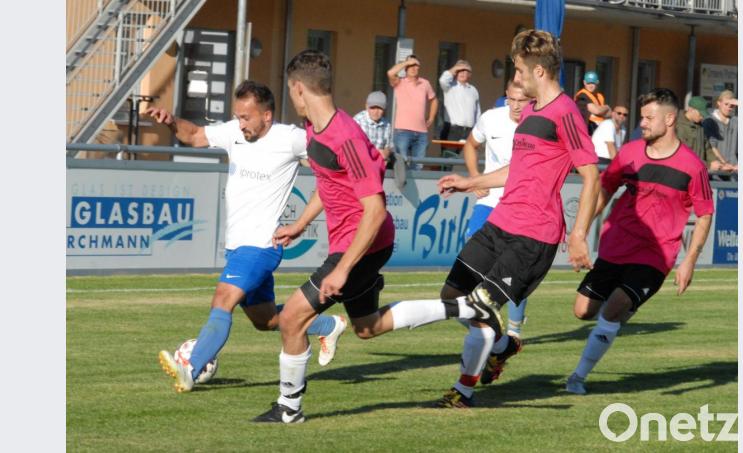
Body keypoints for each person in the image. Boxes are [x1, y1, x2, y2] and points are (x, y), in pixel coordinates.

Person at [253, 50, 500, 424]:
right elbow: (330, 183)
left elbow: (376, 210)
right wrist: (302, 222)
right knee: (367, 327)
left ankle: (289, 408)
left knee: (291, 319)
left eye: (290, 91)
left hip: (362, 243)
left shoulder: (345, 136)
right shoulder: (315, 129)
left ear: (298, 89)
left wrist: (342, 269)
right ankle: (466, 307)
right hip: (355, 242)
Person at [434, 29, 601, 408]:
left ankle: (463, 390)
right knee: (452, 294)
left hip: (533, 234)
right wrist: (470, 182)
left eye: (521, 71)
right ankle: (505, 345)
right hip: (500, 222)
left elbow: (591, 174)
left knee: (479, 303)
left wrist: (578, 234)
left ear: (539, 71)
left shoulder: (566, 113)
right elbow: (517, 169)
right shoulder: (530, 112)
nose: (517, 79)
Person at [147, 81, 348, 393]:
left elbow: (333, 173)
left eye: (246, 118)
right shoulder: (233, 132)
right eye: (237, 116)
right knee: (264, 320)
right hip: (238, 245)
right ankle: (328, 325)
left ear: (266, 116)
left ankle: (191, 366)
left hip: (261, 245)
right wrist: (172, 121)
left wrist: (301, 222)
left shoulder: (292, 138)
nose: (240, 124)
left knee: (222, 300)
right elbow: (196, 135)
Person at [565, 88, 714, 395]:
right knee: (582, 311)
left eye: (649, 118)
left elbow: (704, 214)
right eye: (642, 117)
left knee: (613, 308)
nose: (642, 123)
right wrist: (581, 232)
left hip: (654, 255)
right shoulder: (630, 153)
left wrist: (689, 261)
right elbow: (603, 191)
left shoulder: (692, 166)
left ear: (670, 119)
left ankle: (577, 377)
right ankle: (620, 313)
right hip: (615, 245)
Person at [461, 79, 532, 343]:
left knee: (515, 267)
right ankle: (487, 326)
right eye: (510, 99)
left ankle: (513, 332)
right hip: (490, 201)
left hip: (522, 206)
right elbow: (470, 144)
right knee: (470, 257)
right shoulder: (491, 118)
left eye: (521, 100)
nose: (515, 106)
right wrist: (474, 176)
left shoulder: (539, 126)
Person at [387, 55, 439, 170]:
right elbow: (390, 73)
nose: (413, 68)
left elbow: (434, 100)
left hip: (421, 133)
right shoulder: (400, 82)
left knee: (418, 167)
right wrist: (406, 62)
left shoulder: (425, 83)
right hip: (402, 132)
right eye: (410, 65)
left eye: (416, 65)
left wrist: (431, 117)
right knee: (401, 165)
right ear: (406, 68)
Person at [438, 60, 481, 157]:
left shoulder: (473, 90)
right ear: (455, 72)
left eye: (465, 71)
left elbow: (477, 112)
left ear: (469, 74)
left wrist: (477, 129)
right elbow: (442, 79)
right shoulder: (449, 86)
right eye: (460, 70)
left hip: (469, 131)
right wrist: (456, 67)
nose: (462, 73)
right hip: (452, 130)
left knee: (467, 160)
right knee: (449, 159)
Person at [702, 90, 738, 178]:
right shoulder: (709, 121)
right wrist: (724, 164)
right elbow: (711, 147)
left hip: (734, 171)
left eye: (732, 106)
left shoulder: (735, 121)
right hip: (716, 172)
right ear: (718, 103)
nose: (729, 108)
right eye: (726, 104)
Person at [675, 95, 713, 166]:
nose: (702, 117)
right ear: (691, 109)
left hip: (698, 170)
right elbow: (682, 155)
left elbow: (707, 147)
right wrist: (708, 164)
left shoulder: (700, 127)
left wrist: (714, 161)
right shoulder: (677, 126)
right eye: (700, 114)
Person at [574, 70, 611, 135]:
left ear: (597, 82)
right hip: (588, 130)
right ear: (584, 82)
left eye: (593, 83)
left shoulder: (599, 96)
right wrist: (607, 107)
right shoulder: (582, 95)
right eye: (588, 83)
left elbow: (609, 113)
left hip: (599, 129)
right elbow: (597, 111)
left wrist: (602, 110)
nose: (590, 85)